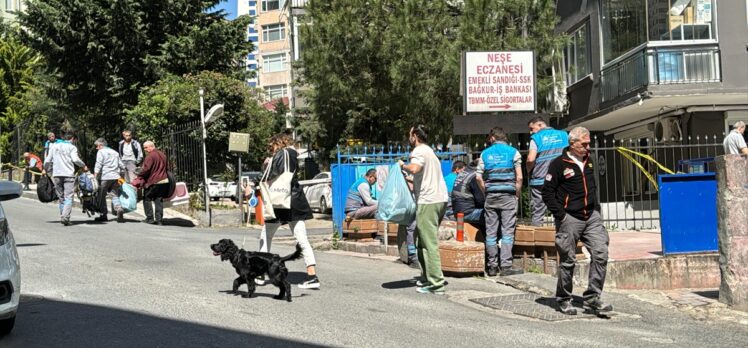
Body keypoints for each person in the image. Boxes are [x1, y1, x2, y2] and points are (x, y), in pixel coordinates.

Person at [542, 126, 612, 316]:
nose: (588, 147)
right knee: (568, 260)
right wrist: (561, 215)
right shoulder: (559, 164)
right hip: (570, 218)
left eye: (589, 144)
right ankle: (564, 299)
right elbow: (547, 192)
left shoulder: (589, 161)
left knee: (601, 253)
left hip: (591, 216)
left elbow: (593, 187)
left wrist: (596, 210)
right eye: (584, 144)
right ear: (572, 144)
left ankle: (592, 297)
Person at [259, 132, 320, 290]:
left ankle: (260, 273)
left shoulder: (281, 154)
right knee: (302, 239)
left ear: (278, 143)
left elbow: (271, 175)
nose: (270, 150)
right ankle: (312, 276)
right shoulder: (292, 154)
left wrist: (266, 166)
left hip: (280, 202)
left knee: (266, 235)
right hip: (295, 202)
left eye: (271, 147)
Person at [400, 124, 448, 295]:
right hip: (439, 199)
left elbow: (415, 168)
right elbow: (419, 178)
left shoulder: (419, 151)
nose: (409, 137)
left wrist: (403, 165)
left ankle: (436, 284)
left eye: (409, 134)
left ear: (415, 135)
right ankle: (427, 277)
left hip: (429, 201)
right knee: (421, 240)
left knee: (429, 242)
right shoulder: (430, 152)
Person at [476, 127, 524, 277]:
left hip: (491, 196)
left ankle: (492, 266)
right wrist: (516, 192)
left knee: (491, 232)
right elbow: (520, 177)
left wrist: (486, 191)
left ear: (492, 138)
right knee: (507, 231)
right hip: (508, 196)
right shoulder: (513, 152)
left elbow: (478, 177)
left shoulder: (485, 154)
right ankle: (506, 265)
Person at [526, 117, 569, 226]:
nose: (531, 132)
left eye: (532, 128)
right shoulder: (564, 135)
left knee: (538, 211)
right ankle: (562, 236)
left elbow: (531, 159)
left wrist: (528, 170)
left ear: (540, 125)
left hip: (541, 180)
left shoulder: (536, 138)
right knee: (561, 209)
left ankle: (537, 239)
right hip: (561, 179)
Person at [42, 132, 88, 226]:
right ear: (73, 139)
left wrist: (45, 169)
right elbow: (75, 160)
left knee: (61, 197)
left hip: (57, 175)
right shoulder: (72, 147)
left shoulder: (54, 146)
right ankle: (65, 217)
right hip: (68, 175)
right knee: (68, 196)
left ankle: (63, 215)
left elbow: (47, 160)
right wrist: (83, 165)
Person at [133, 141, 169, 225]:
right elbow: (167, 167)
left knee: (147, 198)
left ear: (151, 147)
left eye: (145, 147)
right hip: (164, 180)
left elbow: (146, 169)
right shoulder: (163, 155)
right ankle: (159, 220)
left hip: (153, 181)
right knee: (158, 199)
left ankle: (150, 218)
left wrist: (138, 175)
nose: (144, 149)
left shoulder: (150, 156)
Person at [93, 138, 125, 223]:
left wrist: (95, 175)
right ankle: (119, 208)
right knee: (114, 194)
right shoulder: (115, 152)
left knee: (101, 196)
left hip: (105, 177)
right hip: (115, 177)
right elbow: (122, 166)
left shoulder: (101, 152)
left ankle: (103, 215)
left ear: (100, 145)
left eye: (97, 146)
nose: (96, 148)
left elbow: (98, 163)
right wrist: (121, 176)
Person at [451, 160, 485, 229]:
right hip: (467, 213)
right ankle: (497, 238)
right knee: (494, 213)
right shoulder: (474, 177)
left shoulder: (464, 173)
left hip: (457, 211)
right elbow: (480, 201)